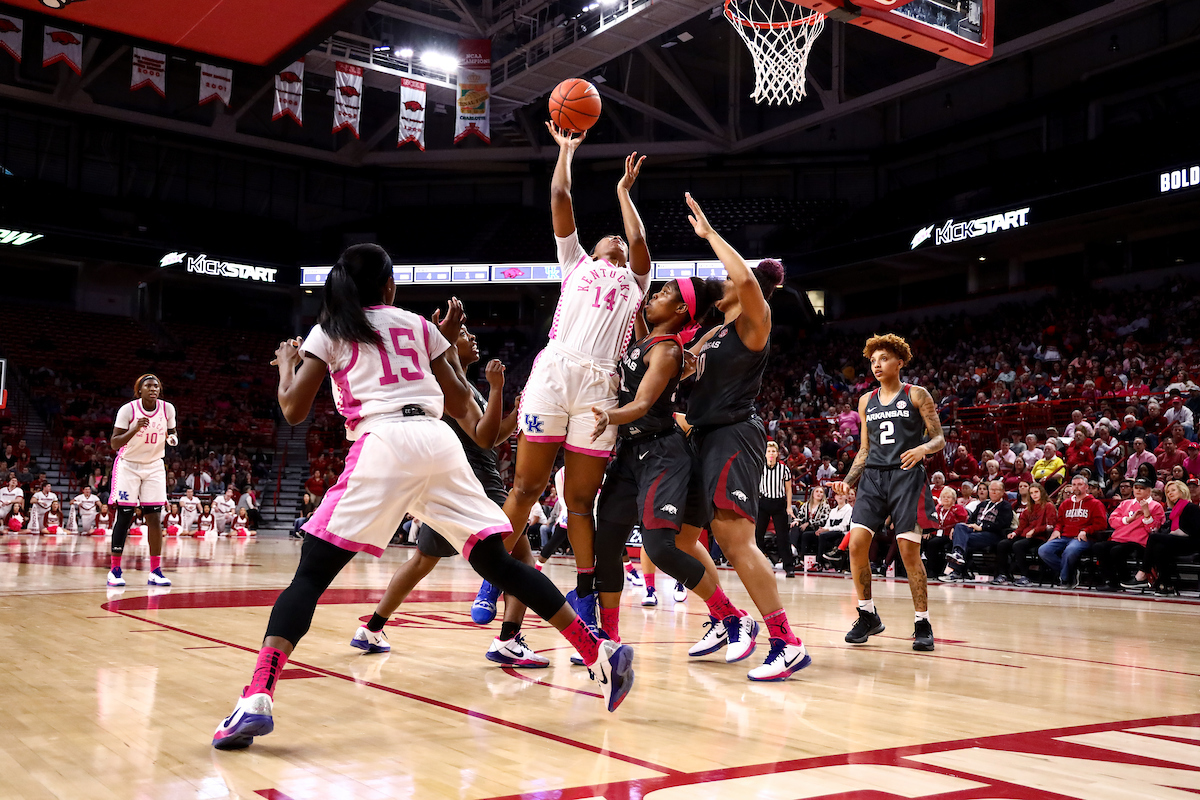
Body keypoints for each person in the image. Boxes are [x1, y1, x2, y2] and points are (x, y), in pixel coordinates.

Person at [212, 245, 634, 752]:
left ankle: (258, 694)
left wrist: (286, 363)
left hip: (383, 441)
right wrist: (461, 356)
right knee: (498, 562)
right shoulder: (420, 326)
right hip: (439, 442)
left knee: (311, 574)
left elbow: (293, 409)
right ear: (390, 286)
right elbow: (473, 420)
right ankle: (598, 653)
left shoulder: (330, 330)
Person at [497, 135, 652, 636]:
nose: (619, 242)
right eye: (613, 239)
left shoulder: (636, 282)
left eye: (623, 243)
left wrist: (624, 193)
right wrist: (566, 151)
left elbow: (642, 246)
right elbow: (561, 200)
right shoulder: (577, 263)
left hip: (599, 386)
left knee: (581, 502)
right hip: (555, 371)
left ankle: (584, 592)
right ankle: (491, 577)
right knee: (527, 486)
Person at [589, 277, 766, 671]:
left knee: (660, 548)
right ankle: (610, 640)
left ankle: (732, 617)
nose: (655, 296)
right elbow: (637, 291)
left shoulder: (668, 350)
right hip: (631, 454)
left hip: (662, 454)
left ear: (682, 310)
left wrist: (608, 416)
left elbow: (641, 404)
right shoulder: (646, 337)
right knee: (607, 547)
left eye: (665, 293)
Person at [673, 192, 810, 681]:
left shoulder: (755, 322)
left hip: (734, 435)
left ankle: (785, 640)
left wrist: (710, 235)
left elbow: (749, 278)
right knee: (678, 540)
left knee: (734, 539)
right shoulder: (711, 334)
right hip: (701, 436)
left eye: (729, 276)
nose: (723, 280)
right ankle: (725, 617)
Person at [355, 314, 542, 669]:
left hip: (451, 486)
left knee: (422, 561)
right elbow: (482, 438)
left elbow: (493, 436)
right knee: (523, 562)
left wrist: (514, 411)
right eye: (464, 333)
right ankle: (508, 639)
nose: (472, 337)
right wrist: (499, 388)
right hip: (479, 487)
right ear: (447, 342)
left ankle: (372, 629)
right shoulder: (450, 385)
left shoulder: (462, 385)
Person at [829, 333, 944, 652]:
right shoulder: (866, 400)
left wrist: (922, 449)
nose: (877, 365)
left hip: (907, 478)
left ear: (900, 362)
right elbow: (864, 449)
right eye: (872, 360)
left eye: (883, 359)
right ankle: (867, 615)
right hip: (874, 480)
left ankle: (923, 623)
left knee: (908, 551)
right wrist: (849, 481)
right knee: (856, 545)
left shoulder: (917, 395)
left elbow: (939, 439)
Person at [106, 374, 177, 588]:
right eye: (148, 385)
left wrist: (172, 438)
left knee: (154, 518)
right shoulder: (128, 410)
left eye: (156, 385)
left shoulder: (167, 409)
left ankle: (155, 571)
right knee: (125, 515)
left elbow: (172, 433)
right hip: (129, 465)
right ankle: (115, 570)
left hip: (154, 465)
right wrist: (135, 428)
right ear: (140, 390)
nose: (153, 388)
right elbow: (114, 443)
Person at [1124, 480, 1199, 594]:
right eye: (1168, 492)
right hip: (1178, 541)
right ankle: (1166, 584)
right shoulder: (1174, 510)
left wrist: (1173, 534)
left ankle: (1143, 572)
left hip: (1192, 542)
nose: (1170, 493)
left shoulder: (1191, 507)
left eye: (1173, 490)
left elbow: (1195, 531)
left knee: (1154, 538)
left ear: (1182, 491)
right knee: (1159, 547)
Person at [1037, 474, 1109, 588]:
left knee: (1070, 551)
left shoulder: (1095, 504)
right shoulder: (1065, 503)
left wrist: (1086, 530)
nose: (1076, 487)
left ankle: (1065, 579)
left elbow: (1101, 524)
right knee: (1043, 550)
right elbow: (1060, 522)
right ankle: (1071, 571)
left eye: (1079, 484)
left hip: (1083, 538)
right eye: (1074, 485)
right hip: (1065, 536)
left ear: (1086, 487)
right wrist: (1056, 530)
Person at [1094, 477, 1164, 591]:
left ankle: (1125, 579)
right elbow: (1112, 521)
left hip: (1139, 542)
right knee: (1099, 547)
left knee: (1116, 551)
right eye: (1136, 488)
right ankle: (1112, 581)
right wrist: (1130, 519)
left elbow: (1153, 530)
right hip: (1119, 538)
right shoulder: (1125, 503)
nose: (1138, 491)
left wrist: (1146, 513)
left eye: (1142, 488)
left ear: (1149, 491)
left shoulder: (1156, 506)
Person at [942, 480, 1013, 582]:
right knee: (959, 527)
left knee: (963, 540)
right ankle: (958, 554)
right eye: (991, 490)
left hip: (992, 534)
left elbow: (1002, 525)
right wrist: (967, 526)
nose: (993, 492)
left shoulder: (1005, 506)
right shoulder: (983, 504)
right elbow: (971, 520)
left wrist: (982, 528)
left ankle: (956, 569)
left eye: (996, 490)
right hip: (975, 532)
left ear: (1002, 492)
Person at [997, 482, 1056, 586]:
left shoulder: (1048, 506)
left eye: (1036, 492)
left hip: (1039, 537)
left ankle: (1026, 576)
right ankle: (1003, 574)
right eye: (1031, 493)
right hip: (1025, 535)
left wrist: (1035, 530)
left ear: (1041, 492)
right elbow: (1021, 527)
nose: (1034, 495)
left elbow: (1050, 526)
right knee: (1003, 544)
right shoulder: (1028, 509)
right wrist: (1015, 533)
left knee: (1018, 546)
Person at [755, 441, 795, 574]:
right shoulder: (760, 467)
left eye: (773, 451)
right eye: (769, 451)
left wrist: (789, 506)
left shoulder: (784, 469)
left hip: (778, 503)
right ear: (765, 454)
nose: (771, 454)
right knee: (757, 535)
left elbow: (788, 489)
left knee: (782, 536)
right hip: (763, 502)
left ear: (777, 454)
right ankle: (758, 565)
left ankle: (789, 567)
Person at [923, 487, 965, 573]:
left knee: (933, 543)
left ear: (954, 499)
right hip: (936, 533)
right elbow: (930, 520)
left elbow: (963, 522)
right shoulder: (938, 509)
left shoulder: (958, 509)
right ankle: (924, 567)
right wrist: (928, 530)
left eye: (948, 497)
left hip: (949, 534)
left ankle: (933, 570)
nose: (945, 499)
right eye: (944, 497)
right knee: (923, 540)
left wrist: (954, 529)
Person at [793, 486, 831, 569]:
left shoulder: (825, 506)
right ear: (813, 493)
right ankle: (793, 549)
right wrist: (796, 521)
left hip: (817, 529)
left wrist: (809, 523)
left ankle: (800, 558)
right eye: (817, 491)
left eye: (821, 492)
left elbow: (824, 520)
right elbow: (800, 516)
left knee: (805, 534)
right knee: (794, 526)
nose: (819, 493)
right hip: (805, 528)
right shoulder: (806, 505)